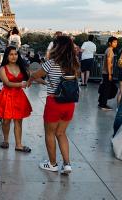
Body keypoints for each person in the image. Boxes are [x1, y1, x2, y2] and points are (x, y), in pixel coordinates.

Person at [30, 36, 80, 174]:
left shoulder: (51, 63)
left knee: (50, 134)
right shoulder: (74, 64)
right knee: (62, 133)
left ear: (56, 47)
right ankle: (67, 164)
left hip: (54, 102)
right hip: (69, 104)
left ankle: (52, 164)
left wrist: (31, 76)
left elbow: (36, 75)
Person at [0, 46, 32, 153]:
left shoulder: (21, 67)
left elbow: (30, 76)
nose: (13, 56)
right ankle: (5, 140)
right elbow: (7, 83)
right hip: (7, 95)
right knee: (6, 121)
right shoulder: (2, 68)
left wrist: (36, 81)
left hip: (19, 96)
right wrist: (21, 84)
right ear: (6, 56)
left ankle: (19, 145)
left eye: (15, 54)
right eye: (11, 54)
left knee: (18, 121)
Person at [98, 36, 118, 111]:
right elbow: (109, 63)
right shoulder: (110, 50)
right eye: (114, 42)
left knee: (105, 88)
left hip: (106, 72)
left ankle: (101, 103)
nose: (116, 43)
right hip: (107, 73)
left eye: (116, 42)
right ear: (110, 43)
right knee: (107, 89)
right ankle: (103, 104)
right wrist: (110, 74)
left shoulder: (108, 50)